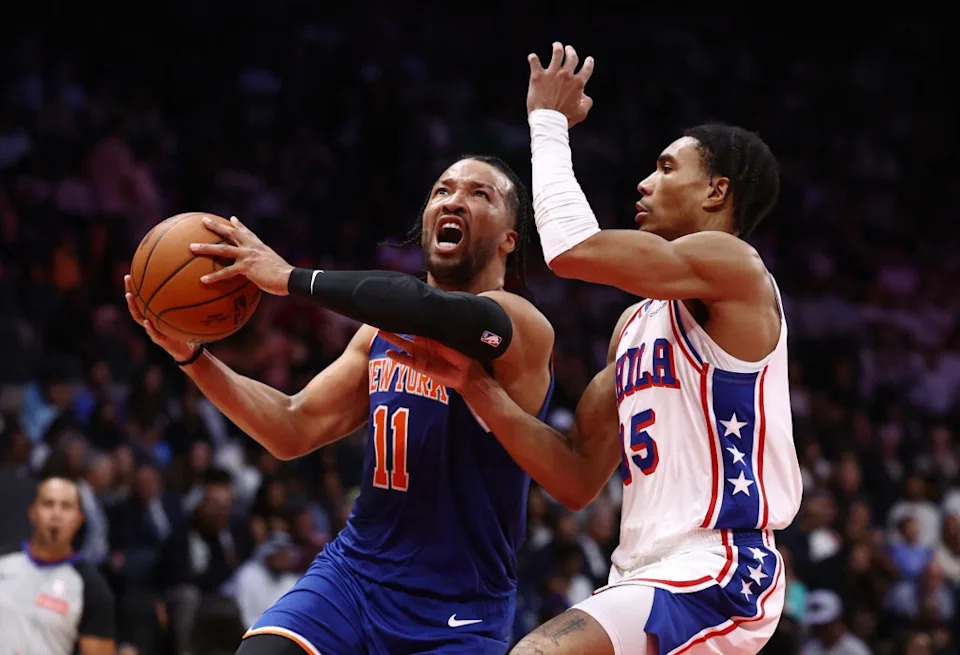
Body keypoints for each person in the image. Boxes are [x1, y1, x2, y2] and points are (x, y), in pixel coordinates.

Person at [381, 42, 803, 654]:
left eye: (664, 168)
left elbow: (571, 247)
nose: (644, 181)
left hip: (719, 567)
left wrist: (547, 122)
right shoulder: (634, 325)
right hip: (639, 571)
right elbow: (578, 474)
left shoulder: (736, 267)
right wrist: (476, 387)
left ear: (716, 192)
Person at [123, 154, 556, 654]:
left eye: (480, 194)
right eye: (442, 190)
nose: (454, 198)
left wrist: (290, 277)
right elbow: (291, 425)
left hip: (458, 606)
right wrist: (193, 357)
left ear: (510, 239)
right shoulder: (379, 335)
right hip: (354, 578)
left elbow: (424, 307)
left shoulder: (521, 325)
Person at [0, 476, 116, 655]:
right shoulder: (4, 561)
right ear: (32, 513)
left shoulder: (92, 587)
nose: (56, 514)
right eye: (48, 504)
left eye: (66, 506)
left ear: (78, 519)